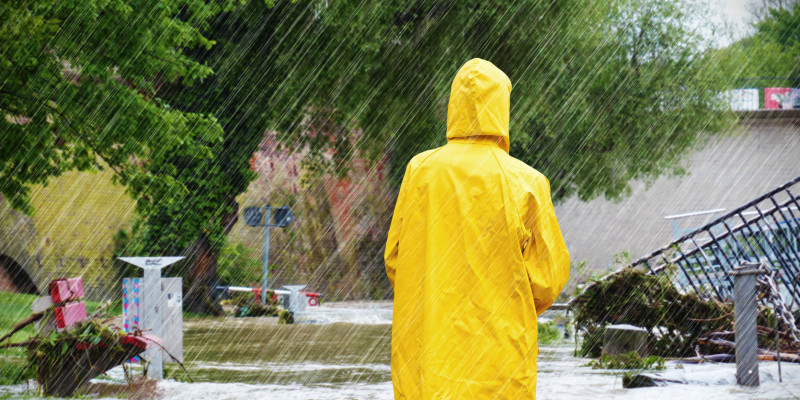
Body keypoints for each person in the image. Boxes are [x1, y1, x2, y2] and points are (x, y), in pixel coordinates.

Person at [384, 58, 570, 399]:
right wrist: (501, 299)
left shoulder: (419, 172)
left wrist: (435, 295)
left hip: (430, 357)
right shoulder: (527, 183)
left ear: (455, 106)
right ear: (502, 106)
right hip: (500, 361)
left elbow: (396, 260)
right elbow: (548, 278)